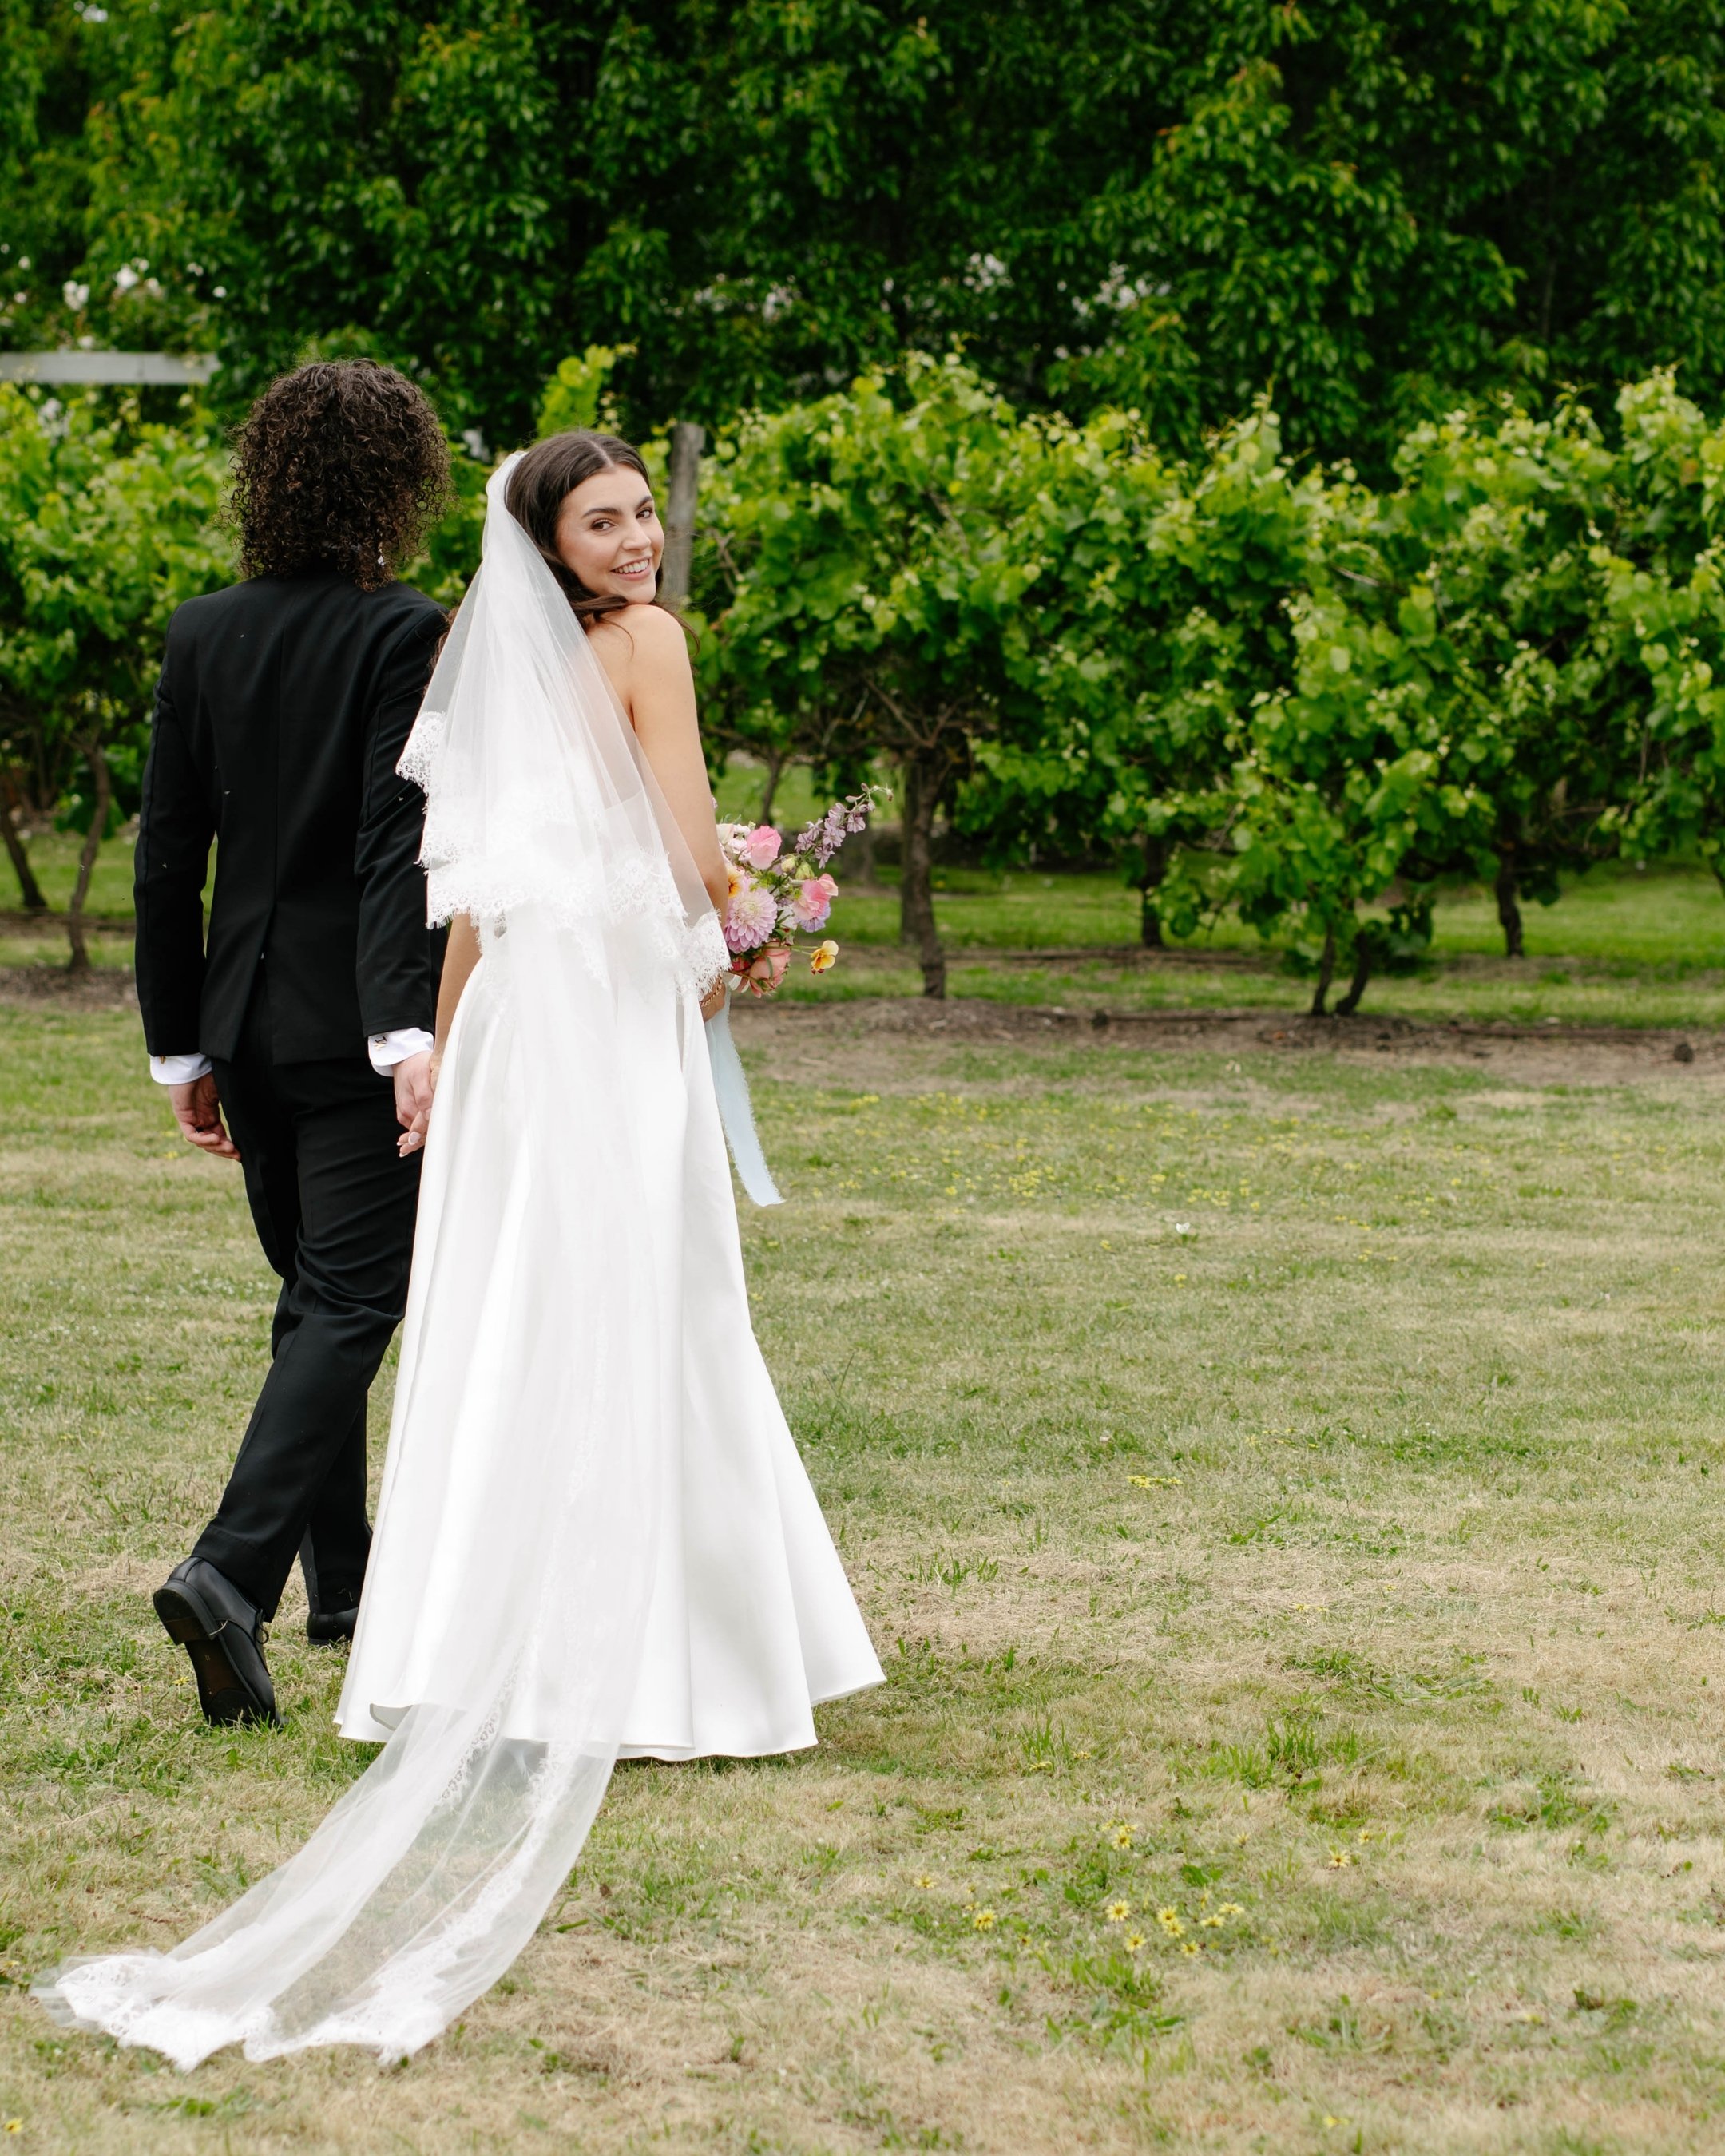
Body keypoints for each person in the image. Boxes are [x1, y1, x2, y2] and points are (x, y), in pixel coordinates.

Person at [35, 431, 882, 2067]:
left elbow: (460, 890)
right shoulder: (641, 646)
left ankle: (431, 1638)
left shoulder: (489, 660)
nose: (637, 542)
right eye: (605, 520)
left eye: (643, 515)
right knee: (637, 1309)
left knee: (496, 1320)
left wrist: (440, 1046)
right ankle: (653, 1661)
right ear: (548, 541)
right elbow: (687, 852)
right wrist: (750, 923)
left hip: (497, 1026)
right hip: (595, 1016)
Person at [134, 362, 452, 1728]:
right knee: (352, 1303)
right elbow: (393, 842)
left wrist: (180, 1047)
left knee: (315, 1301)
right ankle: (230, 1572)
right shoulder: (405, 630)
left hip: (243, 1027)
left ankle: (346, 1588)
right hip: (354, 1030)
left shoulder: (203, 630)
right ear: (399, 481)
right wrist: (403, 1027)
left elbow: (168, 855)